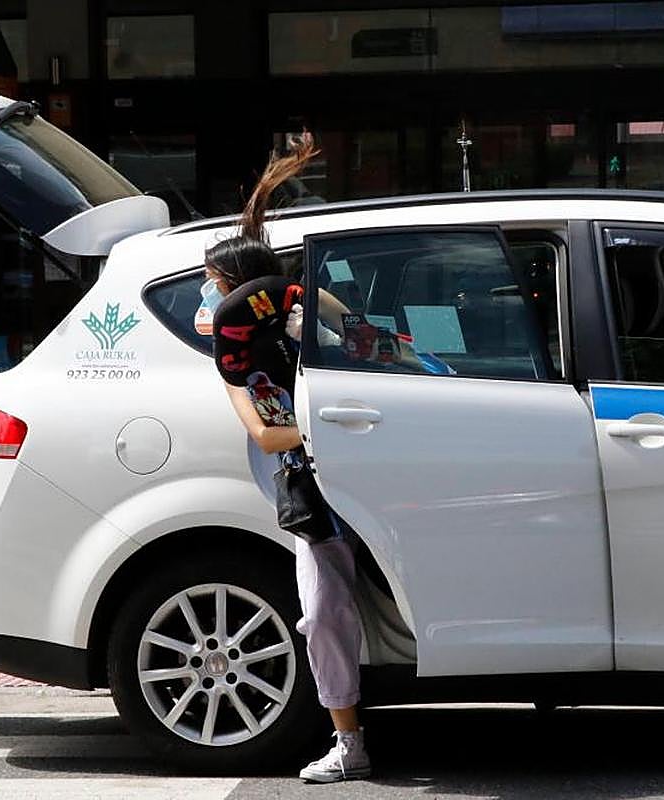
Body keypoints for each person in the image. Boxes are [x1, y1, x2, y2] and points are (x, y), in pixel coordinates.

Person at [207, 138, 370, 784]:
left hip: (370, 472)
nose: (206, 296)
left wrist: (307, 317)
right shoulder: (237, 364)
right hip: (316, 493)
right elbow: (273, 437)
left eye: (213, 285)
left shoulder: (296, 331)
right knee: (324, 611)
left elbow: (357, 329)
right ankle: (349, 740)